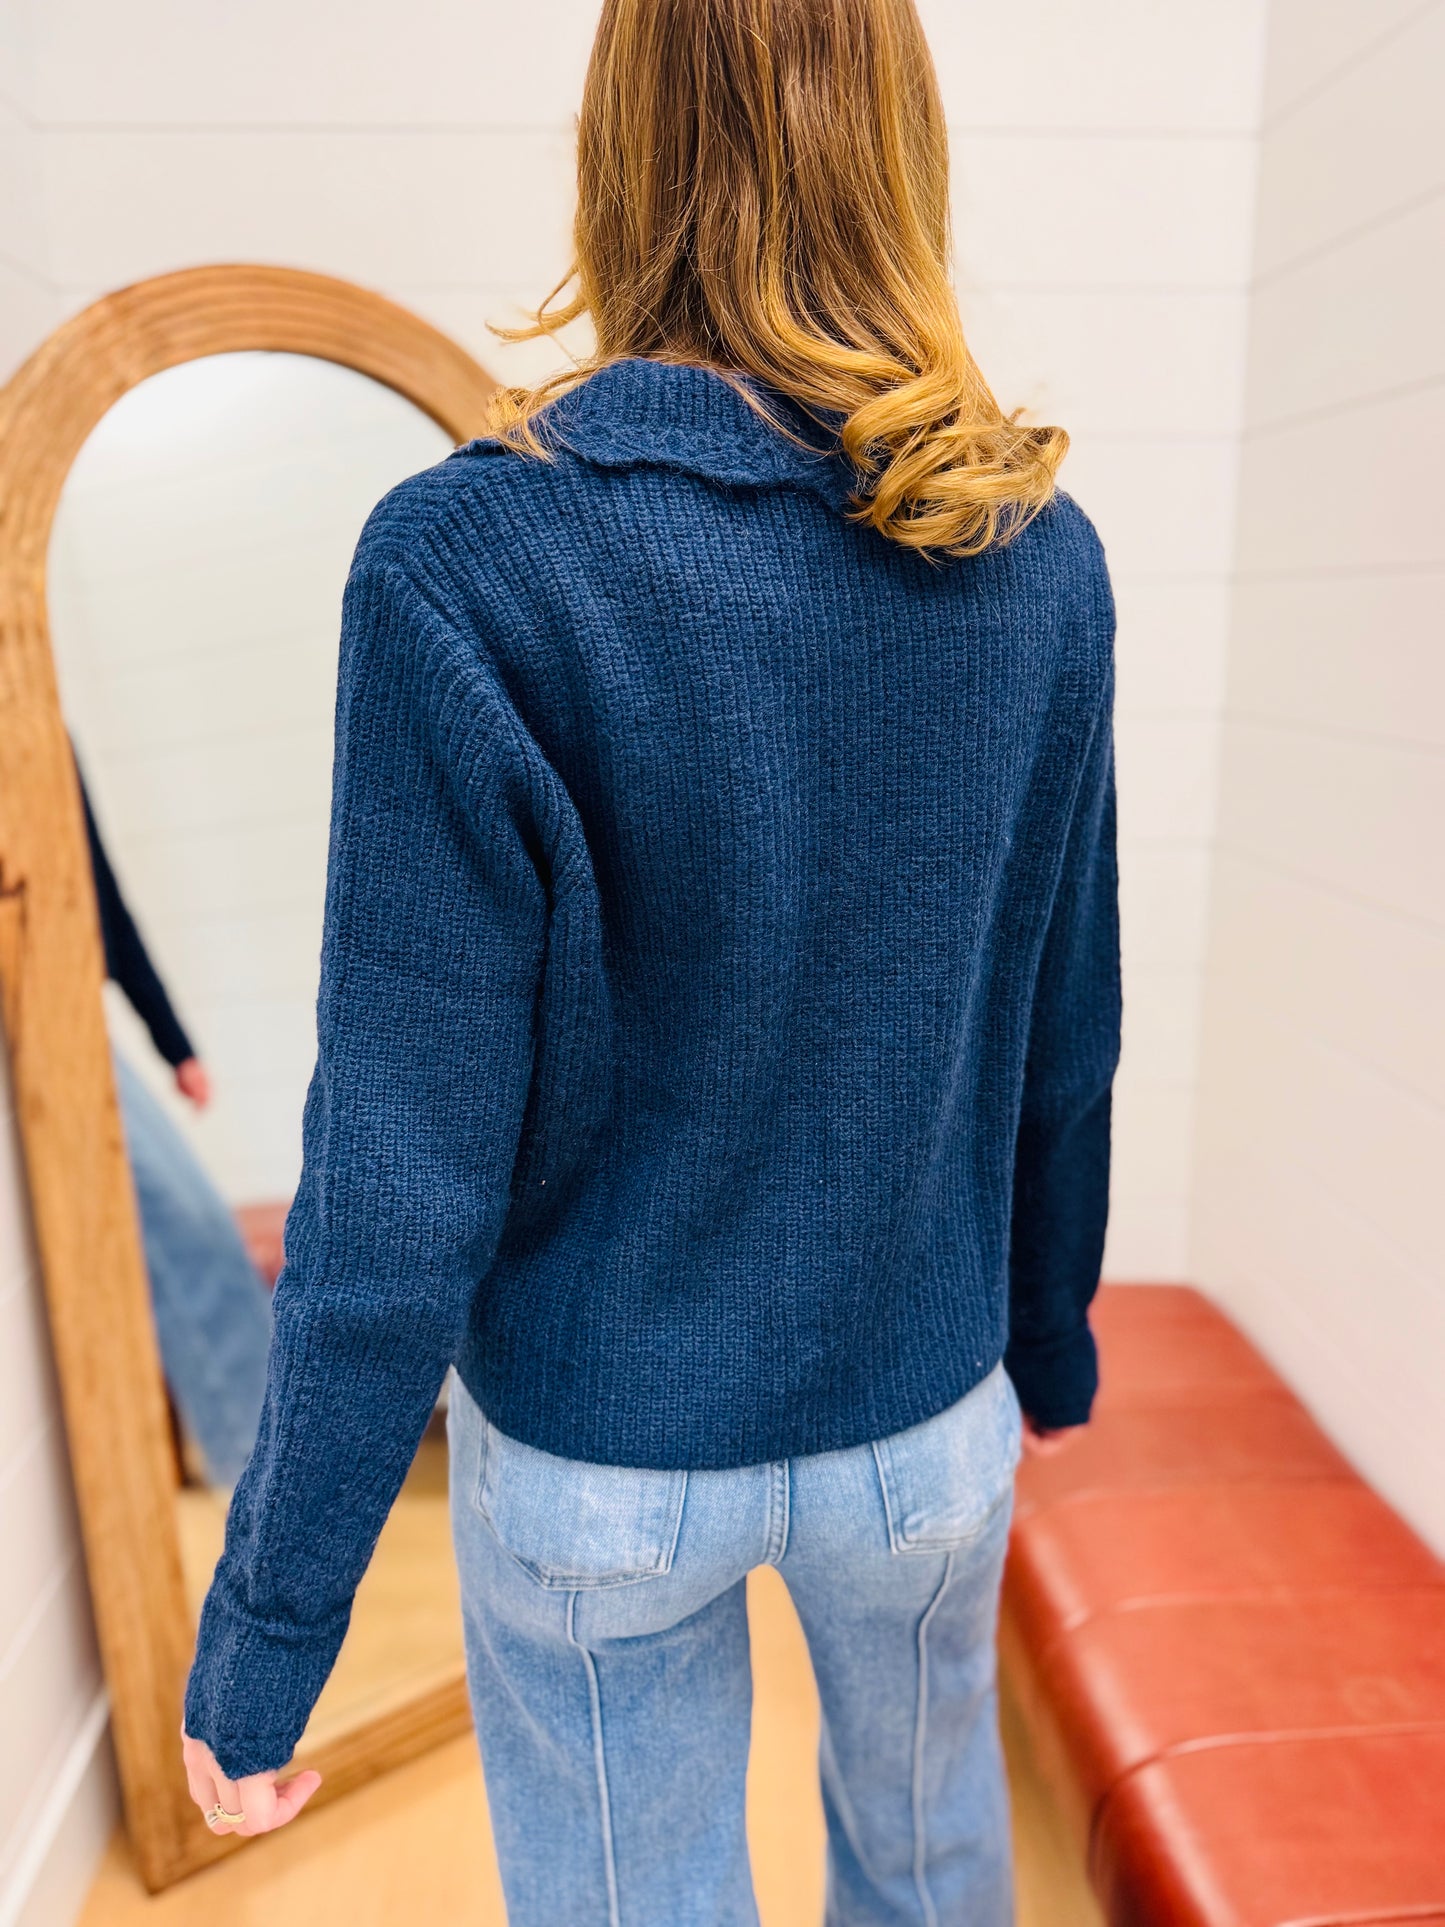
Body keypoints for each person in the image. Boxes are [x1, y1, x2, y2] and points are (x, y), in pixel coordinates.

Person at [180, 0, 1121, 1917]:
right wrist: (1050, 1332)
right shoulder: (1035, 556)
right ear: (901, 150)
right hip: (924, 1424)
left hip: (599, 1456)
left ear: (619, 150)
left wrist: (272, 1629)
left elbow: (399, 1164)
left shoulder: (468, 559)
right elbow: (1066, 1021)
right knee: (935, 1870)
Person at [77, 754, 272, 1486]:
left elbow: (100, 895)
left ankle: (270, 1465)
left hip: (75, 1021)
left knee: (199, 1230)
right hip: (42, 1033)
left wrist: (173, 1042)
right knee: (183, 1237)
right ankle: (260, 1475)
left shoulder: (36, 729)